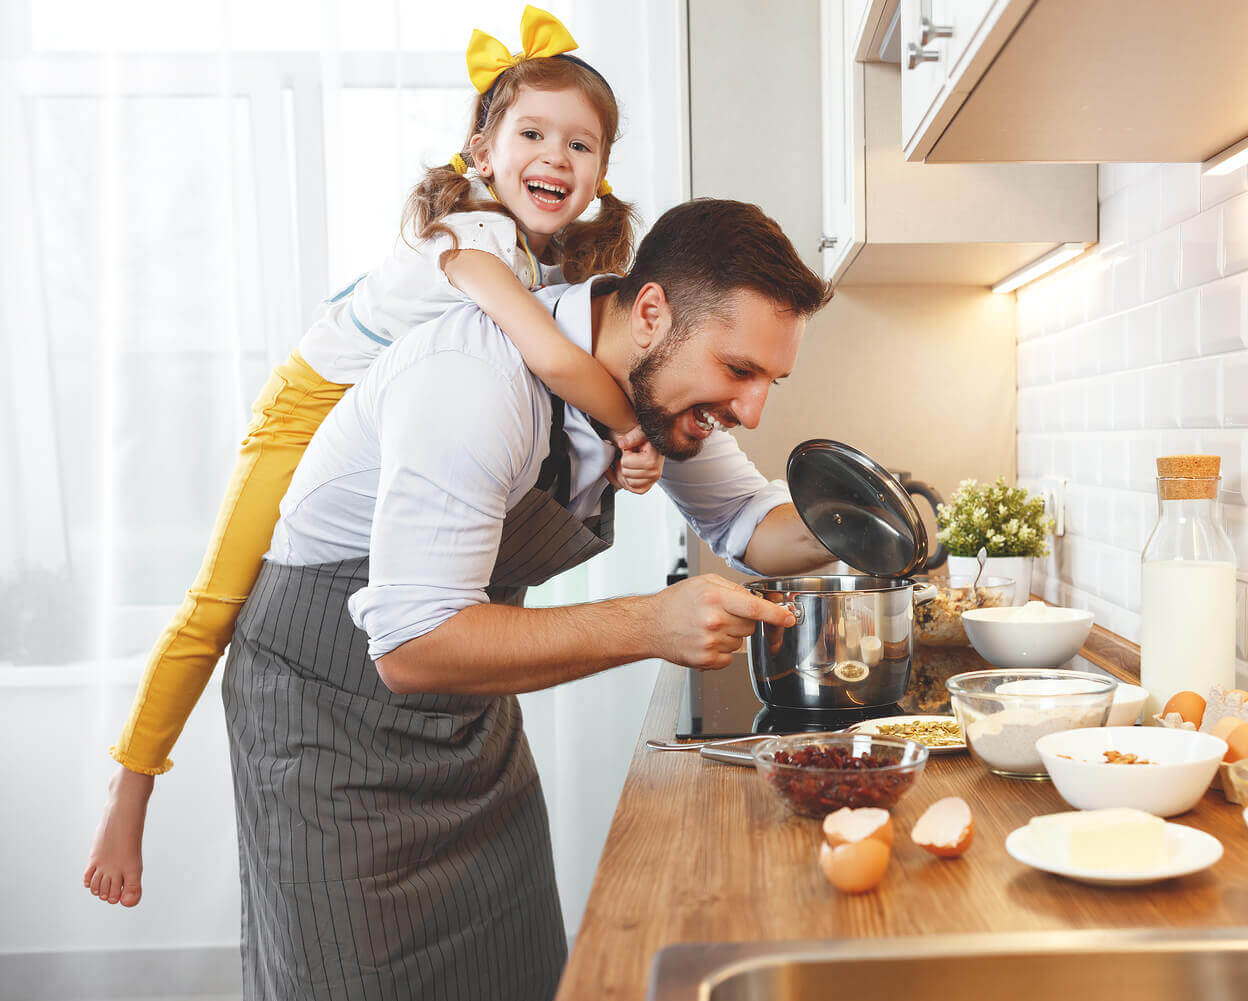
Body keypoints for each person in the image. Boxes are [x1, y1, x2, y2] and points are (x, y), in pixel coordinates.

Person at [83, 5, 661, 909]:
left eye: (580, 145)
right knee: (217, 601)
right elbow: (553, 361)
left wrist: (614, 452)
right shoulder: (473, 237)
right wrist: (635, 428)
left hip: (370, 420)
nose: (556, 156)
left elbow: (551, 391)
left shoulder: (547, 267)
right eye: (532, 133)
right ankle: (129, 789)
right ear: (481, 150)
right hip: (308, 405)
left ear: (600, 174)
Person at [223, 196, 833, 1000]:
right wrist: (652, 622)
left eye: (769, 380)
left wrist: (880, 520)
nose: (751, 410)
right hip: (329, 728)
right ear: (652, 312)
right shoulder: (476, 382)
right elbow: (411, 647)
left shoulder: (648, 388)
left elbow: (751, 523)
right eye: (739, 370)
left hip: (466, 725)